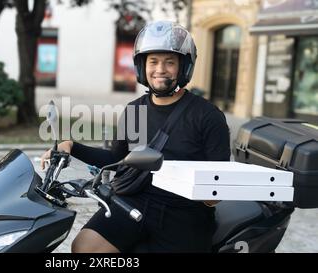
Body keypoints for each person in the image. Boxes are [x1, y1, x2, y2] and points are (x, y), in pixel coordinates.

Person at [40, 21, 230, 253]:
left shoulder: (208, 116)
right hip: (134, 200)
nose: (160, 69)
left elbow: (219, 181)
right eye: (153, 61)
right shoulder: (134, 110)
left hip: (183, 213)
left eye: (169, 62)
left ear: (183, 67)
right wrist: (71, 145)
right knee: (84, 247)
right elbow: (116, 159)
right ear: (142, 66)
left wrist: (209, 193)